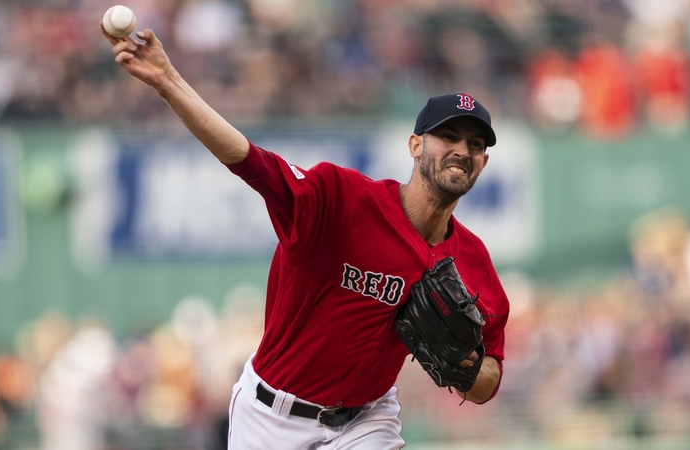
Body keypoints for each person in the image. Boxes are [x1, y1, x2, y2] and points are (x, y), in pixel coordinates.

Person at [103, 25, 509, 449]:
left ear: (482, 162)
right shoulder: (342, 199)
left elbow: (488, 381)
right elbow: (248, 159)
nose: (462, 149)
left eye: (475, 143)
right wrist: (169, 82)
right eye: (447, 136)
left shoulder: (473, 261)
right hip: (270, 416)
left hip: (367, 419)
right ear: (414, 145)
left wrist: (464, 366)